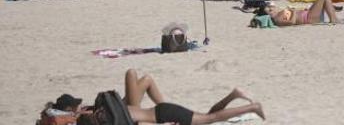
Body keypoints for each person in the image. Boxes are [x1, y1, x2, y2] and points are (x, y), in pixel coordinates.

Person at [73, 68, 264, 125]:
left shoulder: (120, 120)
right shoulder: (111, 112)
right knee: (207, 117)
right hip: (163, 111)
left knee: (209, 118)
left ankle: (252, 107)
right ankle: (234, 95)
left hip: (166, 114)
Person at [268, 0, 339, 26]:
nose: (272, 9)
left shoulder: (278, 13)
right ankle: (334, 19)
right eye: (270, 10)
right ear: (269, 15)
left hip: (308, 14)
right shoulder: (277, 20)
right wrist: (294, 11)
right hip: (308, 18)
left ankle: (334, 17)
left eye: (271, 8)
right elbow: (292, 22)